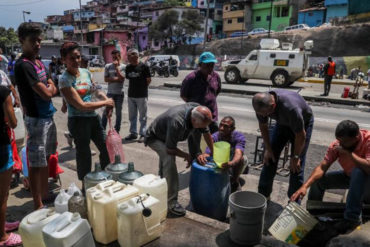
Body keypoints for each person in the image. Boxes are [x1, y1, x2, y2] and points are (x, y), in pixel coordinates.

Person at [291, 120, 370, 234]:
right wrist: (305, 186)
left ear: (356, 137)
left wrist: (348, 153)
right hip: (351, 178)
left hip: (367, 182)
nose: (341, 144)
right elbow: (322, 167)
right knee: (318, 180)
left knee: (358, 172)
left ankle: (352, 219)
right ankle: (314, 215)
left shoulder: (368, 140)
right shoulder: (338, 145)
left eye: (345, 142)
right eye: (339, 140)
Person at [15, 22, 58, 210]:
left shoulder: (38, 62)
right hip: (35, 120)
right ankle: (37, 203)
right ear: (21, 41)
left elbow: (52, 85)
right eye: (33, 40)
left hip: (48, 116)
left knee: (46, 158)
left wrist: (49, 88)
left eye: (39, 40)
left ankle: (45, 194)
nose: (37, 44)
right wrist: (49, 88)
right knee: (35, 162)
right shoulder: (23, 65)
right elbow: (48, 92)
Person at [58, 41, 113, 189]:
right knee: (84, 154)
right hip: (78, 121)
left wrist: (105, 98)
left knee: (106, 147)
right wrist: (104, 104)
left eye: (78, 57)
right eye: (71, 58)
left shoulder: (86, 72)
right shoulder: (64, 80)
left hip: (93, 119)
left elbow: (95, 90)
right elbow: (81, 106)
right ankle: (86, 186)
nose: (76, 61)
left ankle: (105, 177)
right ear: (64, 60)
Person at [145, 103, 214, 216]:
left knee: (165, 169)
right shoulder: (177, 121)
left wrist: (213, 152)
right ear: (193, 120)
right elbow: (170, 149)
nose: (203, 128)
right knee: (169, 159)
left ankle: (161, 189)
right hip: (155, 137)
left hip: (168, 136)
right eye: (201, 126)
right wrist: (187, 156)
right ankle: (172, 204)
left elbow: (206, 133)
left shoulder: (199, 112)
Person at [252, 89, 314, 201]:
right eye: (261, 114)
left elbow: (301, 135)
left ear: (273, 105)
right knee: (269, 159)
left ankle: (294, 203)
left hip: (302, 126)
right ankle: (263, 197)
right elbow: (263, 125)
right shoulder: (260, 105)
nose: (264, 116)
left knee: (296, 167)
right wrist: (268, 149)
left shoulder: (291, 108)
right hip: (282, 123)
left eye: (266, 114)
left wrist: (295, 157)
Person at [198, 116, 247, 192]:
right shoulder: (215, 136)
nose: (221, 128)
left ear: (232, 129)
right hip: (219, 161)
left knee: (242, 159)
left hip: (232, 161)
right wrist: (203, 156)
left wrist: (231, 163)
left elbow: (238, 153)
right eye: (221, 125)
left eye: (225, 126)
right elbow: (208, 153)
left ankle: (235, 181)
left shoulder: (238, 136)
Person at [0, 85, 22, 246]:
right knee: (2, 195)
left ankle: (1, 224)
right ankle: (2, 236)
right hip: (1, 145)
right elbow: (13, 122)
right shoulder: (2, 92)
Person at [181, 51, 221, 133]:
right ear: (200, 65)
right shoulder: (191, 78)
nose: (210, 68)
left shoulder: (216, 76)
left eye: (212, 65)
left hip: (212, 115)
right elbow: (184, 96)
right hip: (196, 117)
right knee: (195, 142)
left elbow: (217, 92)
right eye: (207, 65)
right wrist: (196, 106)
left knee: (213, 140)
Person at [125, 48, 151, 143]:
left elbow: (148, 80)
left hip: (141, 95)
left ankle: (143, 134)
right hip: (131, 95)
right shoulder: (128, 67)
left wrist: (143, 89)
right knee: (132, 116)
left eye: (130, 55)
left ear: (136, 56)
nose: (128, 57)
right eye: (127, 56)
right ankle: (133, 133)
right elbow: (128, 78)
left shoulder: (144, 66)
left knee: (142, 116)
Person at [101, 50, 125, 133]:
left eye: (116, 57)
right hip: (110, 93)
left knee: (118, 113)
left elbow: (122, 79)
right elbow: (105, 79)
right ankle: (102, 129)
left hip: (119, 94)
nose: (114, 58)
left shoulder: (123, 67)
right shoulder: (107, 66)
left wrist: (117, 68)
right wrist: (116, 79)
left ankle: (117, 130)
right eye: (113, 57)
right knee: (106, 111)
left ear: (119, 56)